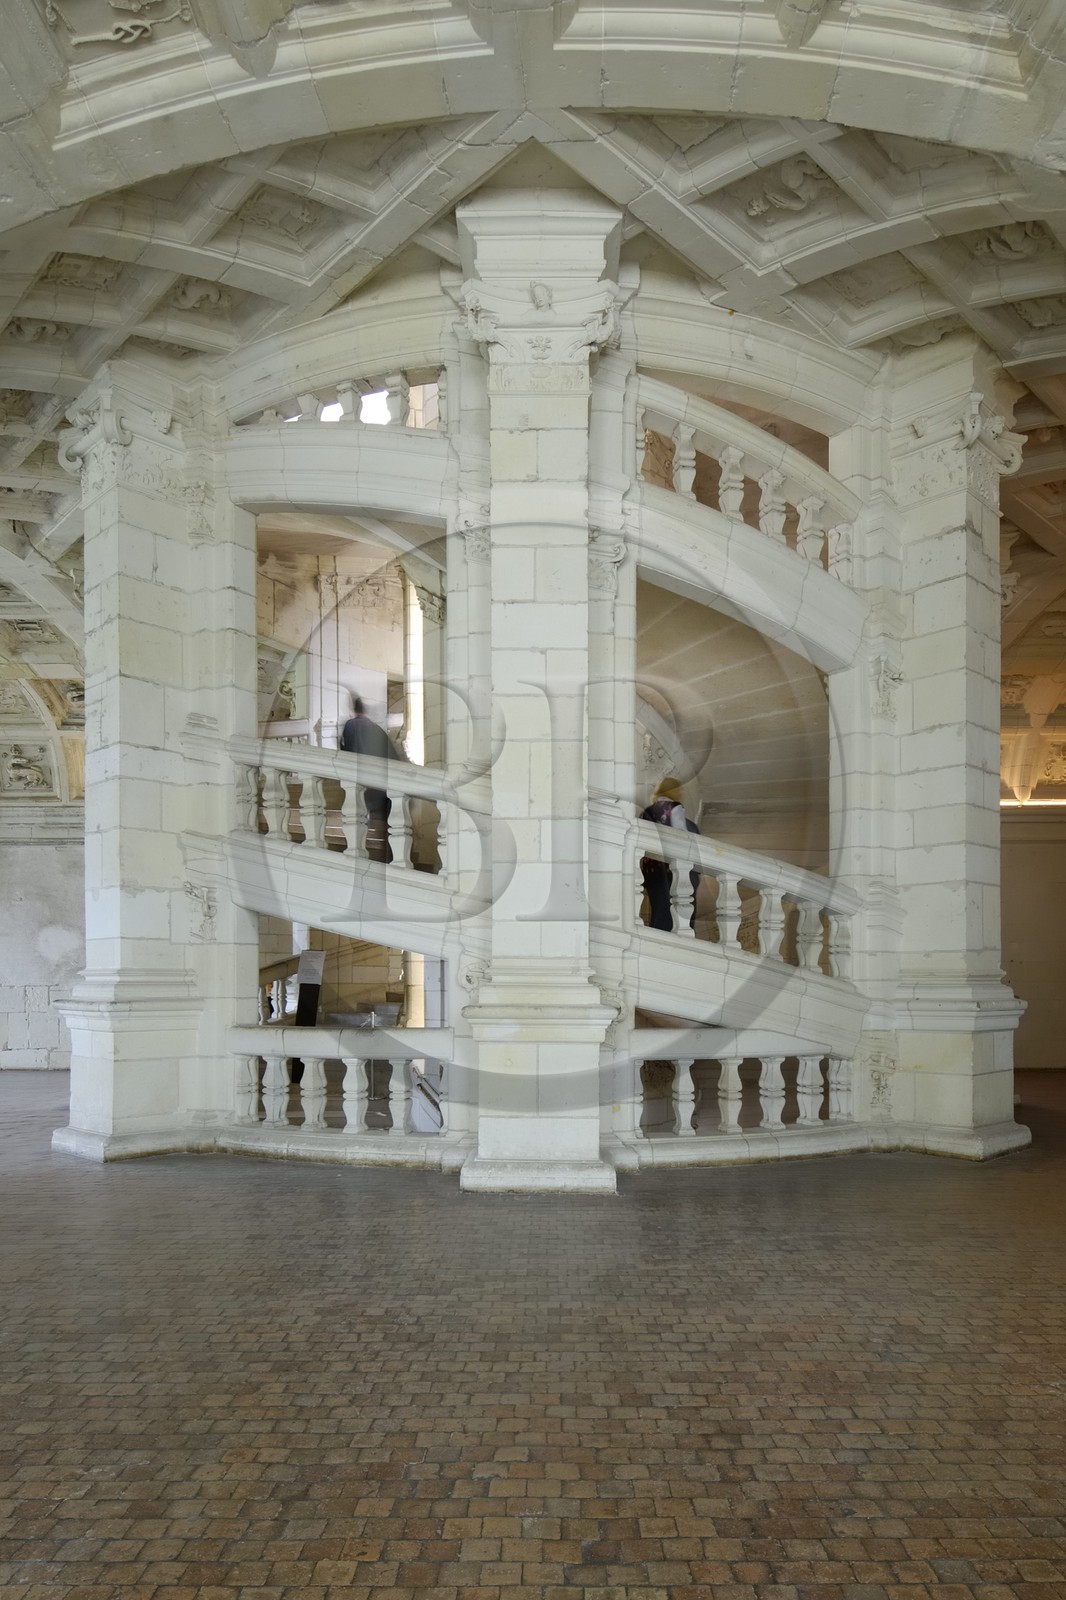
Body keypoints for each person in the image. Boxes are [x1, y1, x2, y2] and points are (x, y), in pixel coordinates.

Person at [339, 695, 404, 861]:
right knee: (389, 825)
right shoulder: (377, 729)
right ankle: (391, 859)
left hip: (367, 783)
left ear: (353, 710)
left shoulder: (351, 726)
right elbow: (394, 755)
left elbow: (347, 751)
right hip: (386, 784)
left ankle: (360, 857)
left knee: (359, 819)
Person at [640, 776, 700, 932]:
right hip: (671, 868)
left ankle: (658, 930)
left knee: (658, 905)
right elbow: (681, 834)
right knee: (678, 905)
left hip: (652, 870)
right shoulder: (674, 807)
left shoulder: (646, 812)